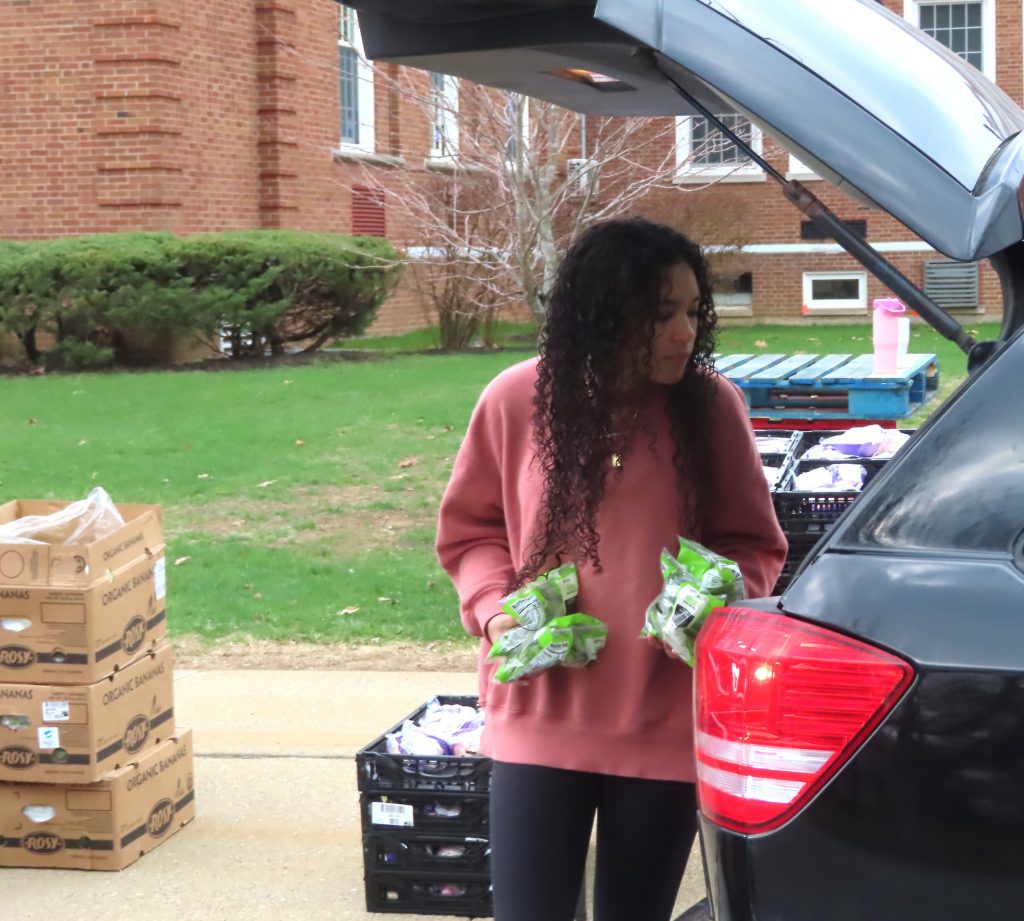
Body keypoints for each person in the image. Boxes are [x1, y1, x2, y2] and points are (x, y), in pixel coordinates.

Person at [436, 217, 787, 921]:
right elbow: (470, 531)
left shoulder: (712, 409)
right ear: (603, 315)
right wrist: (495, 604)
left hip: (663, 720)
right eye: (662, 315)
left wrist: (716, 597)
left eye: (692, 311)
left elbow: (754, 545)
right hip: (540, 710)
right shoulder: (515, 400)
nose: (685, 331)